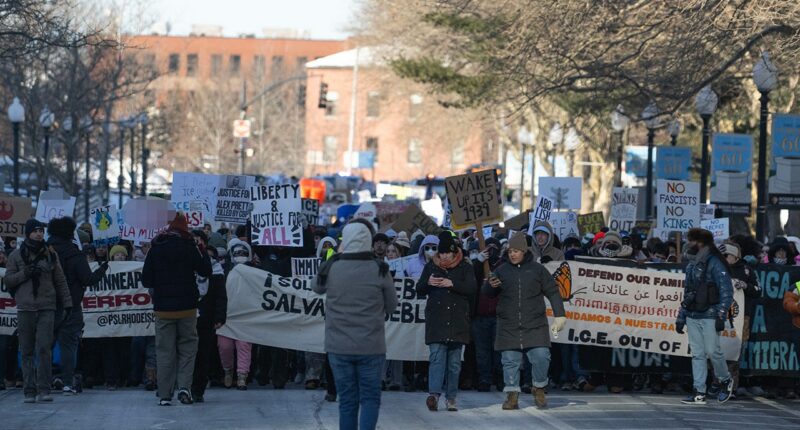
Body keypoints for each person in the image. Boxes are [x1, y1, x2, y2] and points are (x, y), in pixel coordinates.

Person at [313, 221, 398, 430]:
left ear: (345, 240)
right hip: (371, 346)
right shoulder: (380, 269)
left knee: (347, 401)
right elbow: (392, 306)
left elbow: (316, 287)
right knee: (369, 399)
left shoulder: (332, 266)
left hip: (338, 347)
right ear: (368, 241)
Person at [485, 232, 566, 409]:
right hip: (509, 324)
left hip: (535, 324)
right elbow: (487, 294)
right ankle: (512, 395)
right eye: (509, 251)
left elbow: (553, 291)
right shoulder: (501, 270)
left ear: (524, 251)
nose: (512, 254)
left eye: (516, 251)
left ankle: (539, 388)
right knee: (510, 361)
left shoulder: (537, 270)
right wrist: (490, 286)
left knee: (541, 357)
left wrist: (560, 315)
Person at [143, 213, 212, 406]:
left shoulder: (156, 248)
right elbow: (206, 270)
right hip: (187, 308)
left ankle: (165, 394)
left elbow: (146, 280)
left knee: (164, 351)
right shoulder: (190, 247)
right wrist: (202, 250)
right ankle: (184, 388)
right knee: (188, 349)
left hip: (163, 309)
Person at [5, 219, 73, 403]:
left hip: (46, 306)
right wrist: (26, 273)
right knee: (26, 350)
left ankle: (44, 389)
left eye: (41, 231)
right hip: (26, 307)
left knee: (44, 348)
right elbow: (8, 280)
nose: (39, 234)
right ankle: (29, 389)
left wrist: (67, 303)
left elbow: (60, 280)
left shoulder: (51, 254)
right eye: (35, 231)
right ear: (28, 233)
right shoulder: (17, 256)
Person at [46, 217, 108, 395]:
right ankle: (67, 381)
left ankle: (42, 381)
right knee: (69, 345)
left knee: (45, 345)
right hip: (71, 306)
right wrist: (102, 269)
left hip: (47, 306)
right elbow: (88, 279)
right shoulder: (75, 254)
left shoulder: (44, 251)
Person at [416, 231, 476, 412]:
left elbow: (472, 288)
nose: (444, 257)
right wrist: (428, 282)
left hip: (458, 322)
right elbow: (419, 289)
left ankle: (451, 398)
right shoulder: (431, 267)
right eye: (441, 254)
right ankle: (433, 395)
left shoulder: (465, 267)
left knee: (454, 364)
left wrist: (453, 284)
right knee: (436, 359)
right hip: (437, 321)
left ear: (454, 251)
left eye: (447, 253)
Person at [676, 228, 734, 405]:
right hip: (693, 314)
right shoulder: (692, 263)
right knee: (698, 354)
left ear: (701, 242)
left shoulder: (715, 262)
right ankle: (699, 391)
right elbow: (688, 293)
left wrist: (721, 315)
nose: (689, 243)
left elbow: (726, 291)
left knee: (712, 351)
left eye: (692, 240)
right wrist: (681, 316)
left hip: (710, 314)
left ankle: (725, 380)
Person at [191, 231, 227, 402]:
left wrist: (220, 317)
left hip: (206, 317)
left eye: (199, 242)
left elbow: (220, 294)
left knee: (203, 354)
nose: (196, 244)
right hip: (186, 316)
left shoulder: (215, 267)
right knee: (186, 354)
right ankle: (185, 386)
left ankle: (198, 389)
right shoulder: (184, 264)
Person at [217, 238, 254, 390]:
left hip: (245, 316)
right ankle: (228, 371)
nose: (240, 255)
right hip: (227, 315)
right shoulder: (223, 270)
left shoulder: (255, 272)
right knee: (224, 346)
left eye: (243, 253)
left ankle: (242, 376)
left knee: (244, 346)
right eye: (237, 252)